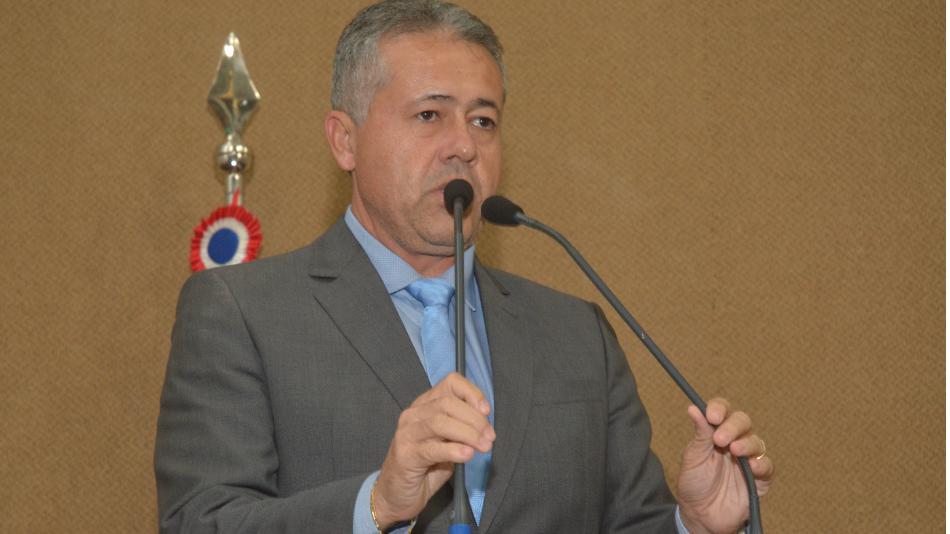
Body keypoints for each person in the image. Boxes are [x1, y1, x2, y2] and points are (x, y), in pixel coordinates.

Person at [154, 1, 774, 532]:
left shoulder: (577, 334)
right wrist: (377, 503)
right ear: (345, 140)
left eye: (483, 120)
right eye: (430, 115)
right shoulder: (243, 313)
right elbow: (202, 522)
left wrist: (694, 524)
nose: (464, 146)